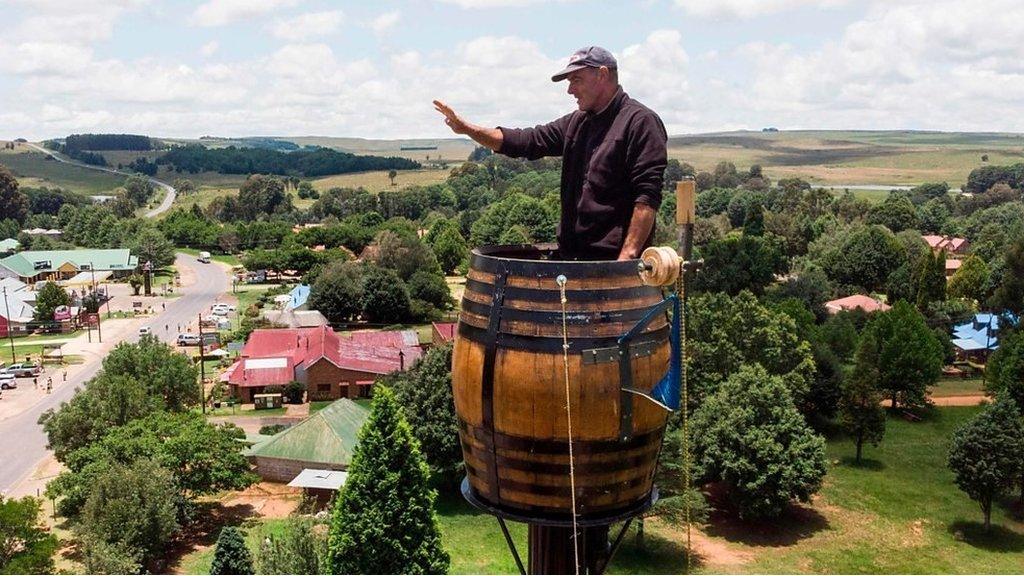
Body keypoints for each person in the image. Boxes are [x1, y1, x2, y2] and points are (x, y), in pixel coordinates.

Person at [434, 46, 668, 261]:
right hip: (572, 260)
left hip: (613, 264)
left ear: (603, 74)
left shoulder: (640, 122)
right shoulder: (577, 123)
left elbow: (646, 198)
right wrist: (467, 129)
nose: (569, 90)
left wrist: (626, 258)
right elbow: (526, 141)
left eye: (576, 79)